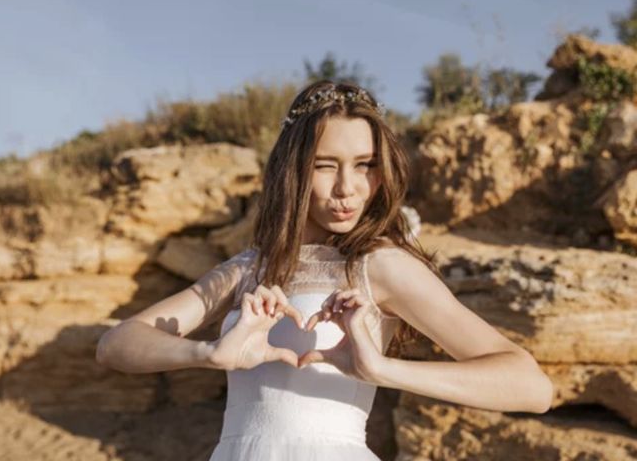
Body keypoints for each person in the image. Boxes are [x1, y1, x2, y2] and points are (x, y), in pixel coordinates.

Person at [96, 80, 554, 460]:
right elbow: (116, 345)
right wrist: (210, 354)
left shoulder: (380, 267)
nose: (347, 189)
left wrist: (380, 368)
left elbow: (530, 387)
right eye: (325, 165)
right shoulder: (248, 270)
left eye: (365, 166)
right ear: (293, 170)